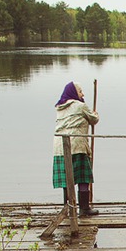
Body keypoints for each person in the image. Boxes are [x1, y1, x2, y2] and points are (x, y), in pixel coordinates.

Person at [52, 81, 99, 216]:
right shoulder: (80, 106)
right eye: (80, 91)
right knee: (82, 177)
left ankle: (69, 208)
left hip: (60, 147)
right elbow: (94, 119)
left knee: (68, 178)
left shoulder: (60, 107)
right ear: (74, 93)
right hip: (76, 145)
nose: (82, 94)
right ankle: (84, 208)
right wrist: (95, 113)